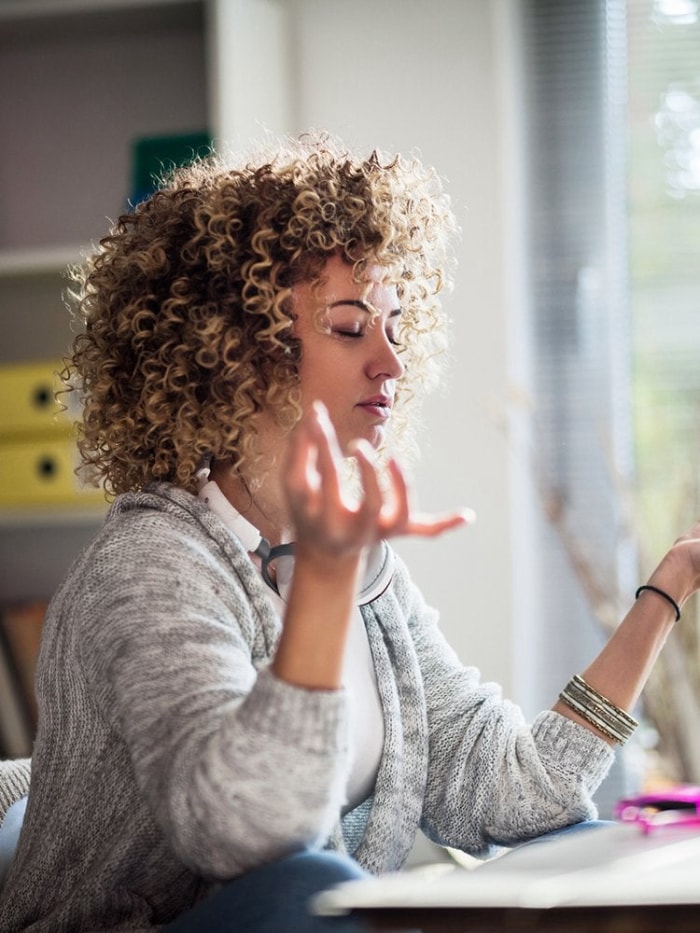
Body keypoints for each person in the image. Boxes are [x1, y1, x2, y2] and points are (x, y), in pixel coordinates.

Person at [0, 132, 698, 933]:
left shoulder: (359, 566)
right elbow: (246, 834)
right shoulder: (151, 565)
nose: (392, 364)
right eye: (349, 327)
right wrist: (324, 583)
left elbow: (513, 789)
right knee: (308, 886)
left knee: (592, 845)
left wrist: (666, 589)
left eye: (397, 326)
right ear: (235, 351)